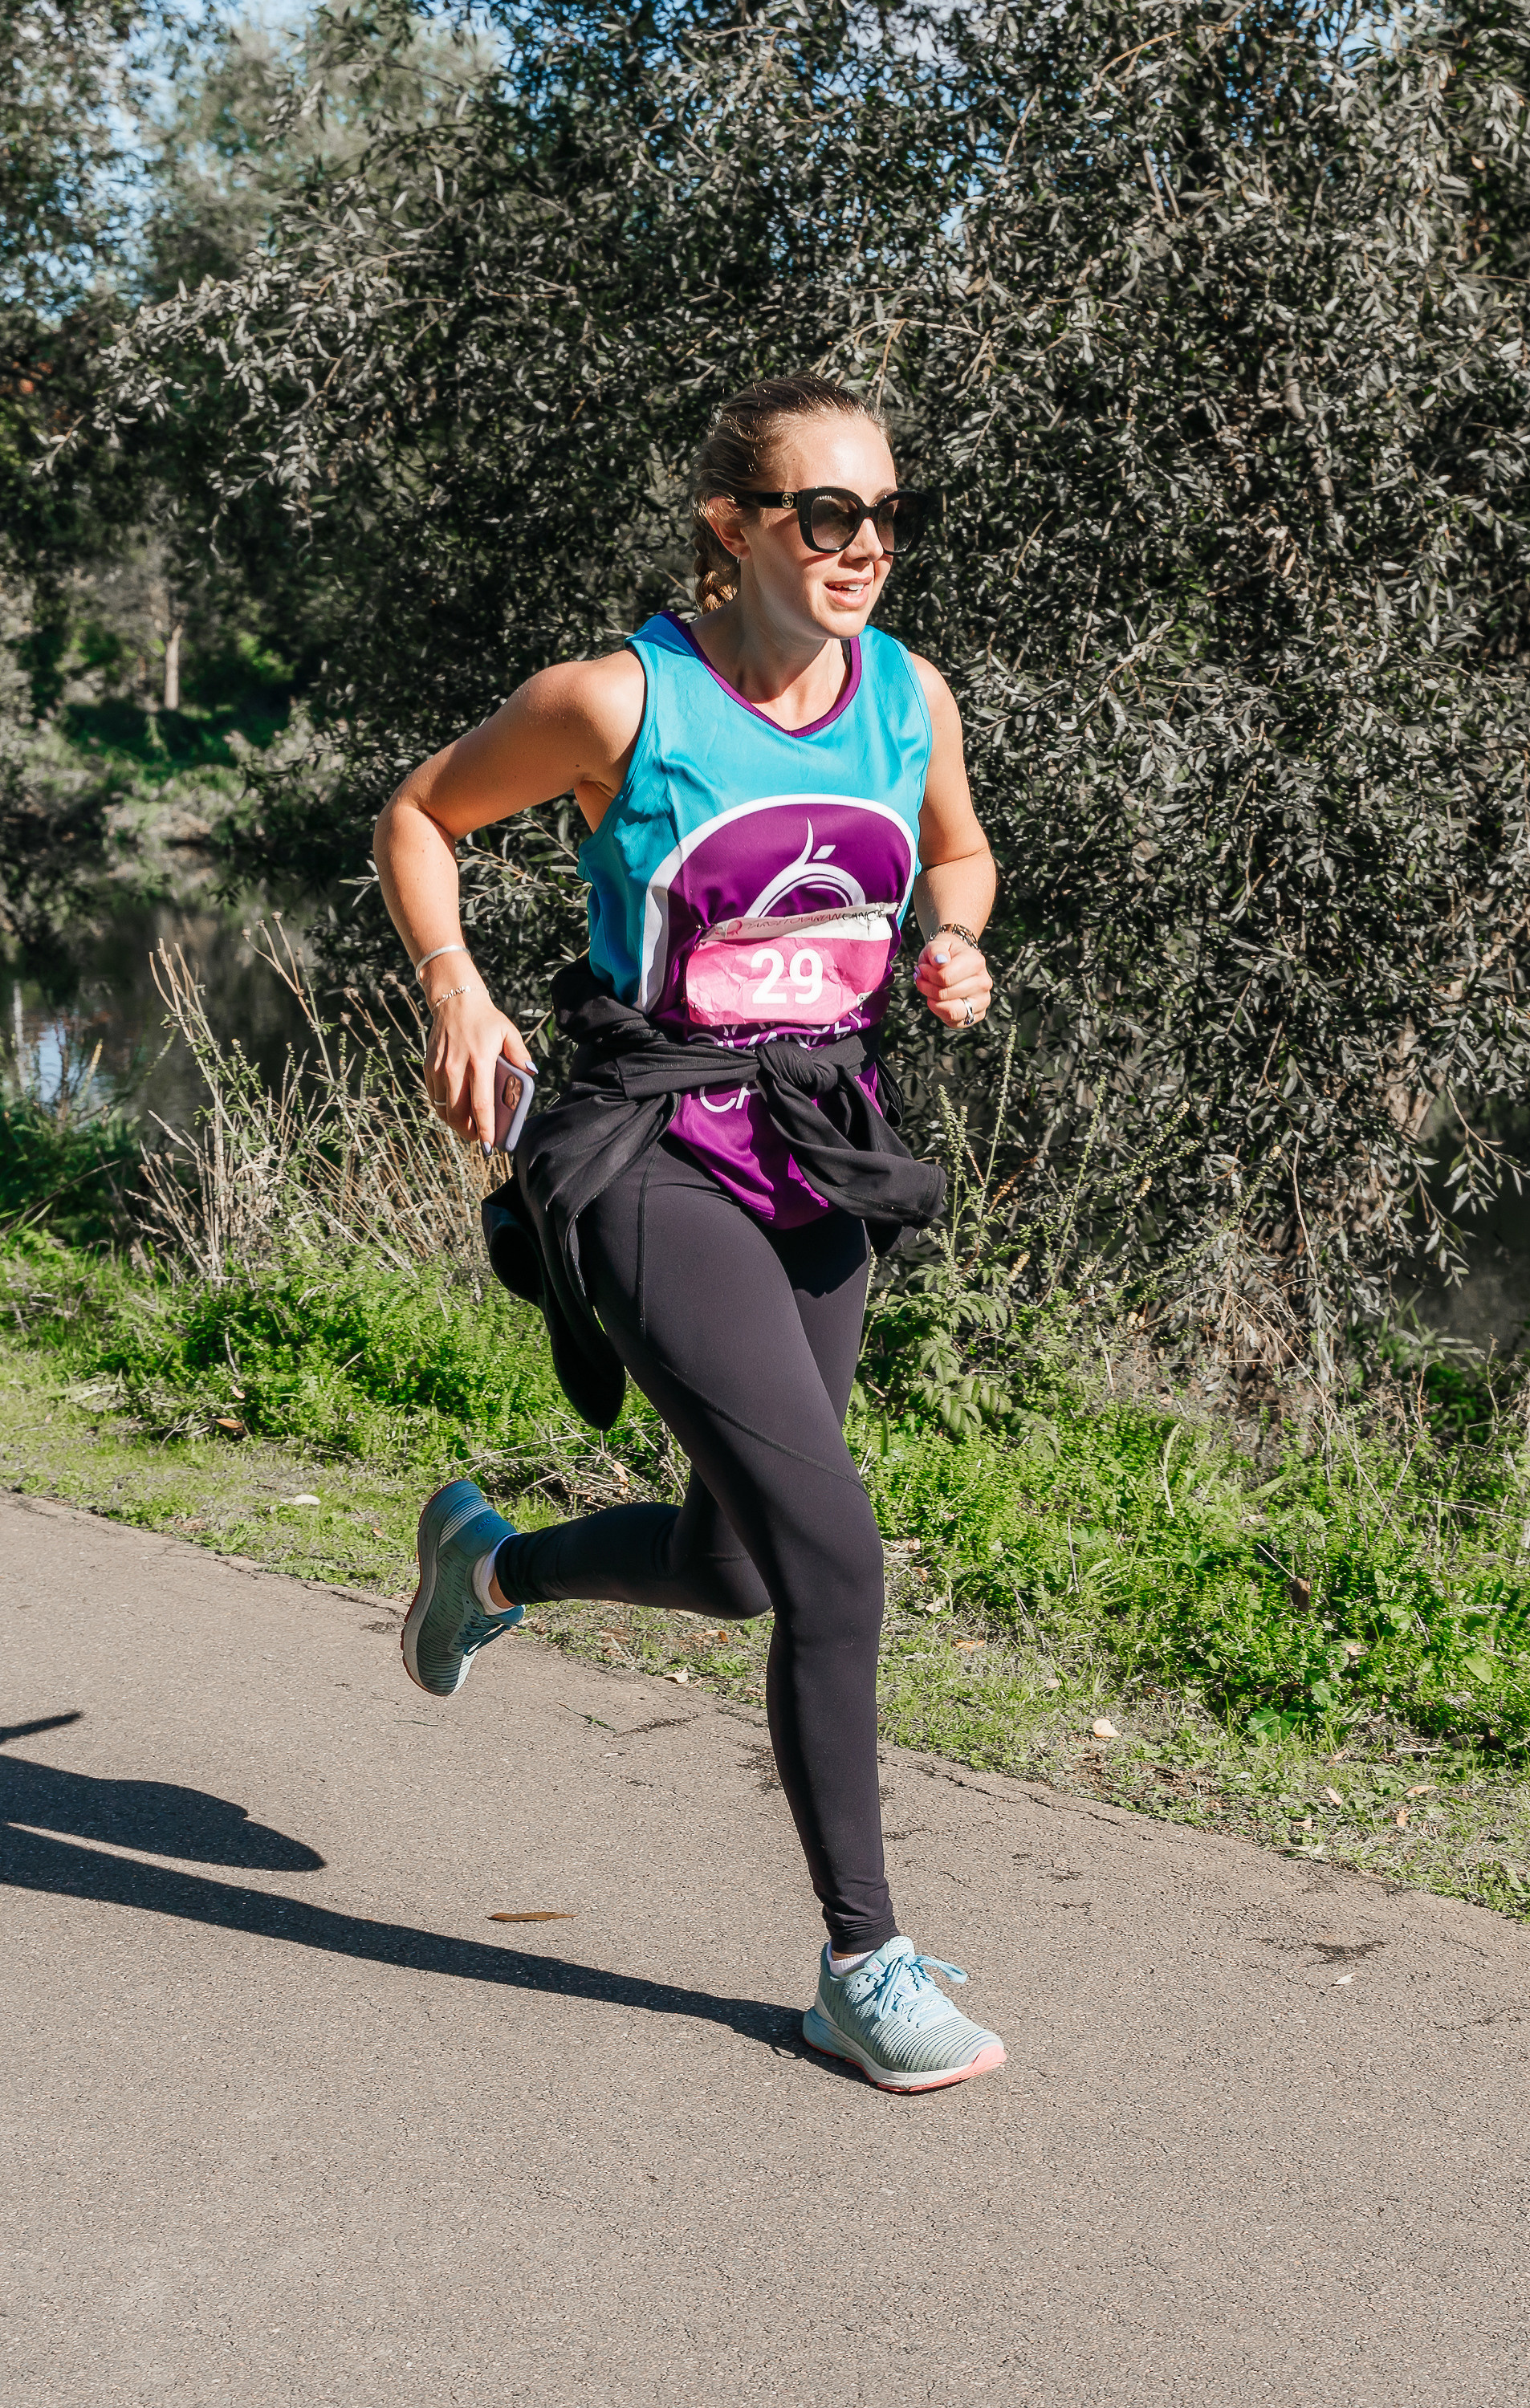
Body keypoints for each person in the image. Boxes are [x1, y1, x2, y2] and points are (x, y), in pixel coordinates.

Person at [374, 373, 1003, 2092]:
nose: (863, 545)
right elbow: (419, 815)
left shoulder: (907, 696)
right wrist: (456, 985)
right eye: (826, 512)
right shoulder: (619, 700)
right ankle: (862, 1963)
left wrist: (947, 942)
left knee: (743, 1563)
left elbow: (957, 856)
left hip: (820, 1145)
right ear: (734, 527)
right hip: (644, 1151)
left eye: (883, 513)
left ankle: (491, 1564)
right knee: (835, 1560)